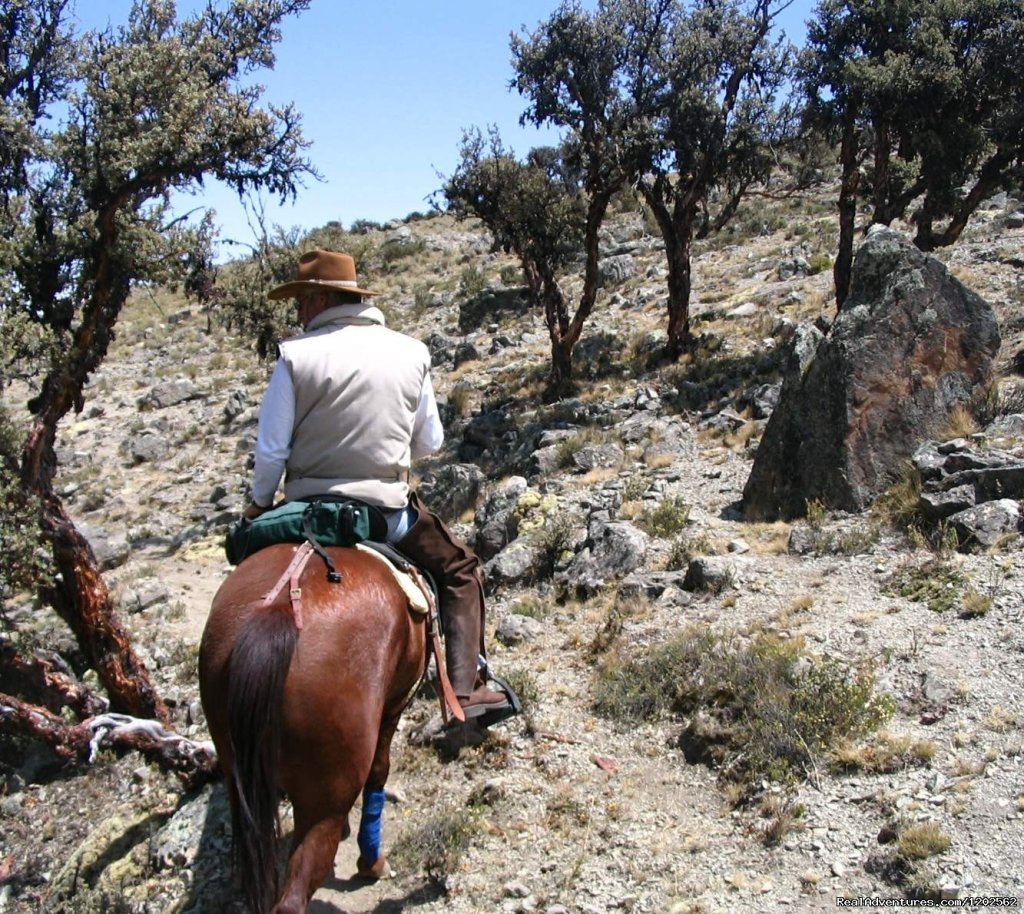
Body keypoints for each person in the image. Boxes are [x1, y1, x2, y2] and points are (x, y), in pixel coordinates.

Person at [243, 249, 516, 725]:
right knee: (459, 570)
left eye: (303, 299)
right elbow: (430, 441)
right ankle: (466, 691)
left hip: (307, 511)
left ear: (323, 298)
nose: (299, 311)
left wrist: (257, 506)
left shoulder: (294, 357)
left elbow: (270, 455)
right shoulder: (411, 352)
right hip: (386, 514)